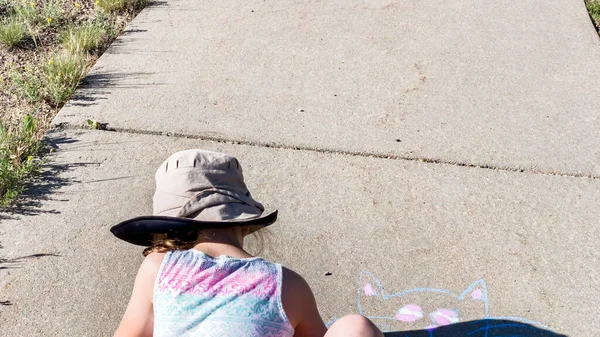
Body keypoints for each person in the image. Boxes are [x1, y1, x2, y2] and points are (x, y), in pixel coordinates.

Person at [111, 149, 383, 337]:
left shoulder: (158, 268)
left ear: (165, 229)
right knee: (355, 327)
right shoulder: (286, 285)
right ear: (245, 222)